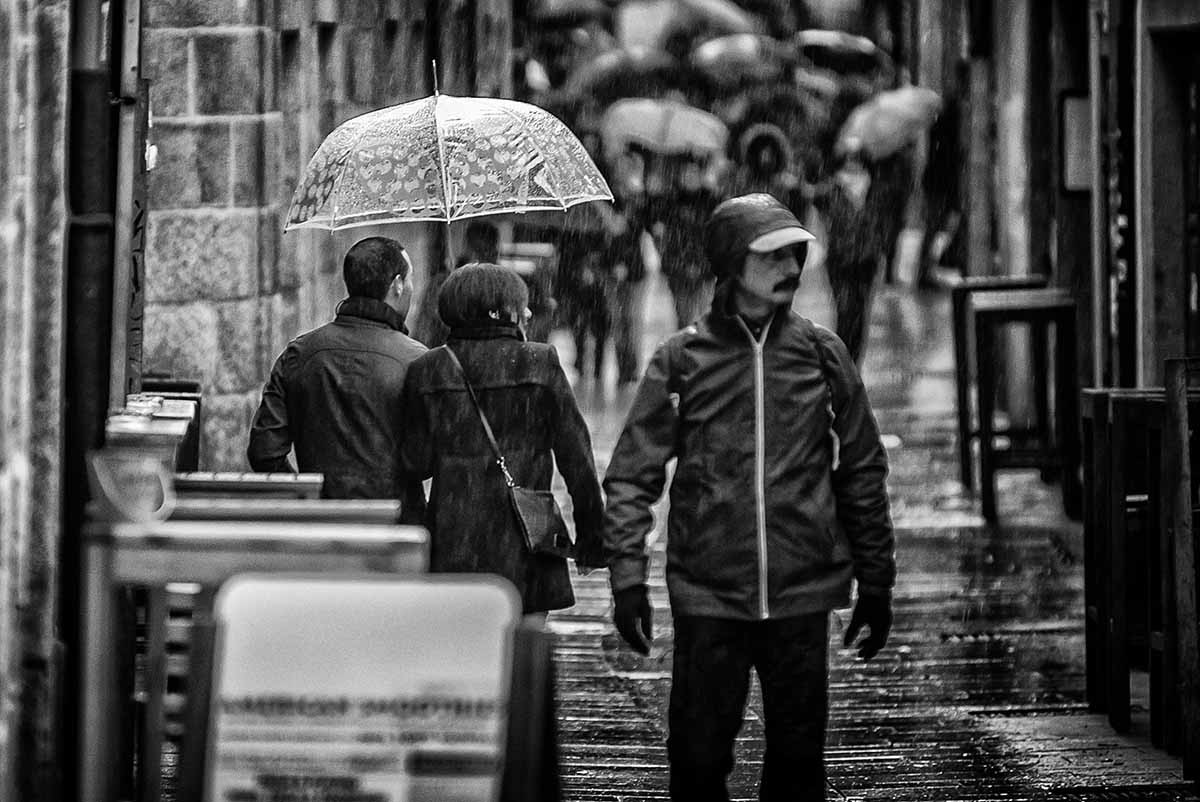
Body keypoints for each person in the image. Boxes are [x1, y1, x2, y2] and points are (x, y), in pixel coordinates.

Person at [601, 193, 896, 801]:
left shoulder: (821, 353)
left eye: (795, 254)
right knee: (698, 758)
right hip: (710, 595)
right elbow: (634, 475)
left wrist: (878, 579)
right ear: (732, 265)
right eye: (771, 257)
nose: (790, 269)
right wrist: (627, 578)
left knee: (797, 763)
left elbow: (862, 468)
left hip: (802, 594)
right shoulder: (682, 361)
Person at [399, 263, 606, 615]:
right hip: (526, 539)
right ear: (500, 311)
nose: (526, 312)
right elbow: (577, 460)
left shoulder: (427, 369)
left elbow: (414, 463)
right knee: (522, 651)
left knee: (463, 649)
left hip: (454, 541)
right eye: (520, 304)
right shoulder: (539, 362)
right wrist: (591, 539)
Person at [247, 236, 427, 516]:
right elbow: (425, 460)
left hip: (321, 527)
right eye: (410, 279)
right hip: (396, 529)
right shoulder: (418, 361)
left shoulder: (300, 353)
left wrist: (308, 499)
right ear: (398, 285)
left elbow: (264, 452)